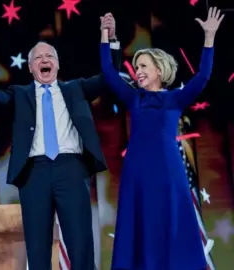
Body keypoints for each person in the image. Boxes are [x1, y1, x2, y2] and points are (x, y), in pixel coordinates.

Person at [0, 14, 122, 270]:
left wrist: (111, 40)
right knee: (38, 247)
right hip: (34, 172)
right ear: (30, 68)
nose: (44, 60)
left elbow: (110, 78)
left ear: (58, 65)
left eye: (49, 56)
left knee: (80, 242)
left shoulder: (76, 88)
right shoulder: (19, 94)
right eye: (38, 58)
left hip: (72, 168)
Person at [99, 7, 223, 270]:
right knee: (139, 221)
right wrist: (104, 36)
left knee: (171, 220)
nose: (138, 70)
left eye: (143, 66)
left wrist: (209, 37)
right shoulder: (134, 98)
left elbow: (202, 77)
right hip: (137, 171)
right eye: (136, 66)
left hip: (168, 170)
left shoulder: (175, 99)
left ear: (159, 70)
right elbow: (109, 73)